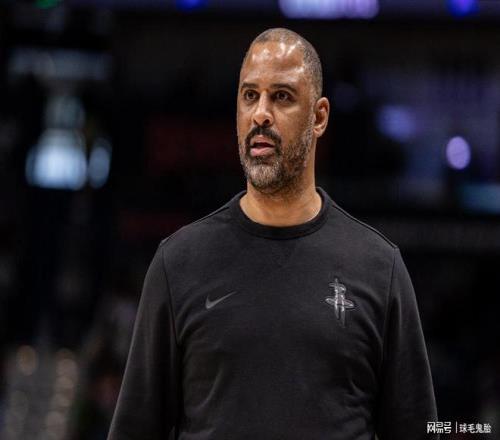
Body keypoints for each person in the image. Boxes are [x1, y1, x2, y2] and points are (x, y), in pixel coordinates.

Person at [107, 28, 438, 440]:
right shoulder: (177, 263)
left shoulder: (379, 267)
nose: (260, 114)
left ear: (319, 117)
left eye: (281, 96)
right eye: (250, 95)